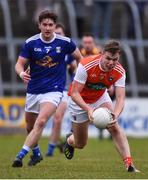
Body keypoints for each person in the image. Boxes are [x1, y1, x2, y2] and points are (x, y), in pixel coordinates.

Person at [12, 10, 82, 168]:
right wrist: (22, 73)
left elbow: (80, 58)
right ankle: (36, 154)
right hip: (33, 89)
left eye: (51, 24)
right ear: (39, 26)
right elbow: (19, 64)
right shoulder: (31, 43)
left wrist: (80, 76)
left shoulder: (65, 42)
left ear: (54, 25)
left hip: (54, 90)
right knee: (30, 127)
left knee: (41, 121)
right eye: (45, 24)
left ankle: (20, 156)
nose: (48, 27)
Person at [64, 40, 140, 173]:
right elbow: (75, 93)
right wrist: (88, 109)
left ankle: (129, 164)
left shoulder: (120, 71)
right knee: (81, 144)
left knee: (114, 127)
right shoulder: (86, 64)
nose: (111, 62)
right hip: (79, 101)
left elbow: (121, 98)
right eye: (108, 58)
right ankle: (70, 140)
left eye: (115, 59)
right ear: (102, 54)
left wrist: (115, 115)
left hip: (100, 97)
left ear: (119, 57)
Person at [45, 23, 77, 156]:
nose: (57, 35)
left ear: (64, 35)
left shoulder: (67, 51)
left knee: (58, 118)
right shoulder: (45, 49)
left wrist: (73, 71)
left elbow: (74, 68)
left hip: (62, 89)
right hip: (44, 88)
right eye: (55, 33)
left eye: (60, 33)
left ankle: (50, 150)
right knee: (37, 121)